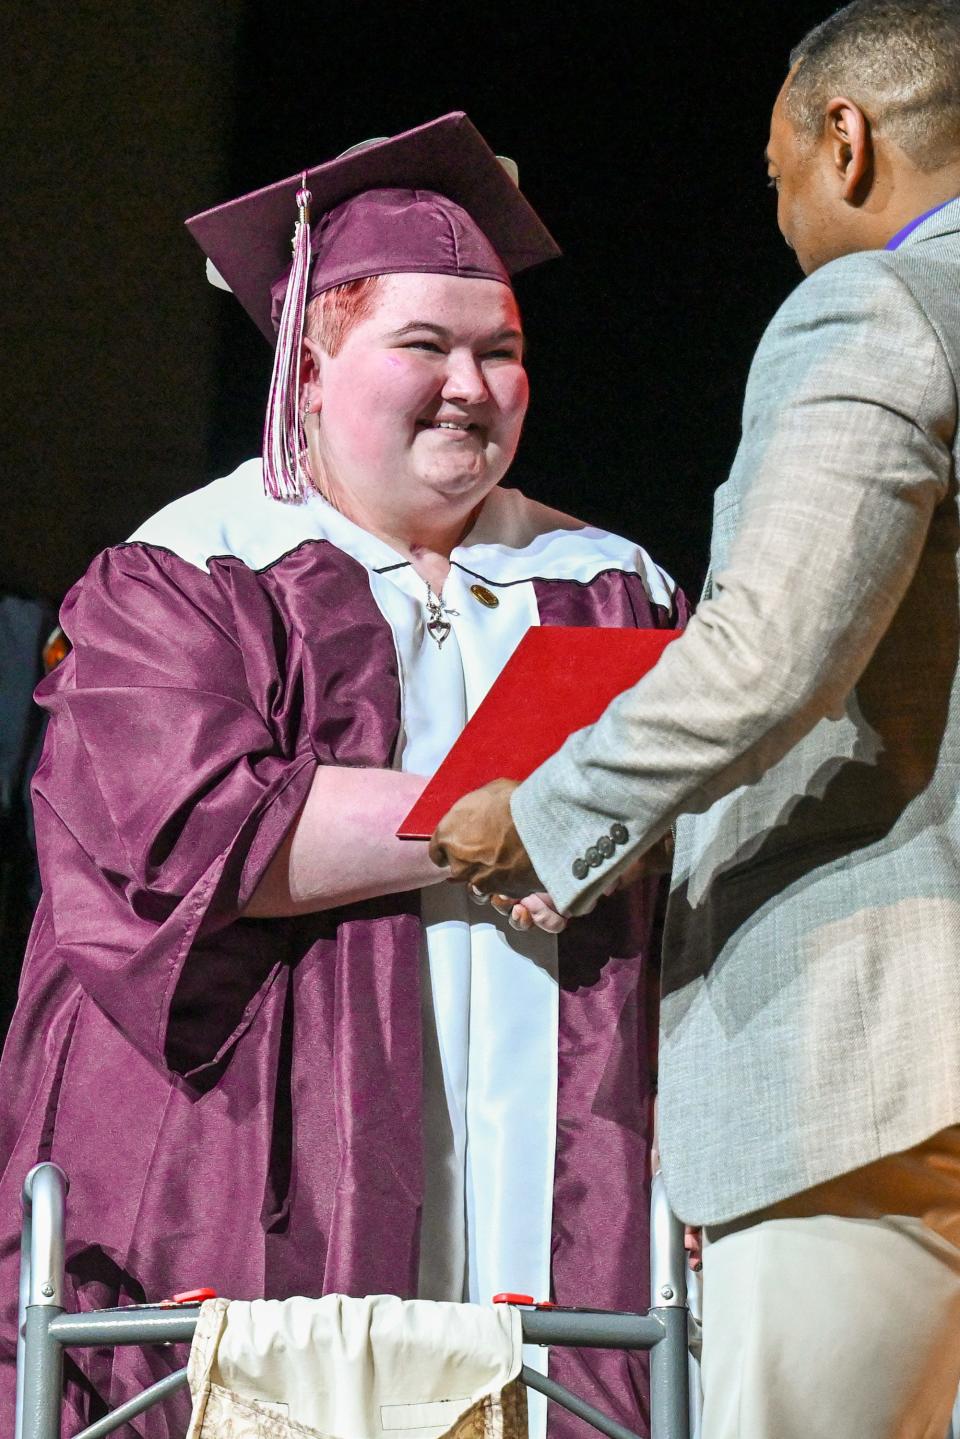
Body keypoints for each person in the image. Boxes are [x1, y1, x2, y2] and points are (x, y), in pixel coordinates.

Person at [0, 114, 687, 1438]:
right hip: (258, 1175)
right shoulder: (188, 571)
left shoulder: (611, 585)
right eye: (424, 347)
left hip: (571, 1175)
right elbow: (207, 839)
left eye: (503, 352)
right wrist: (553, 808)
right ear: (309, 365)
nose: (474, 388)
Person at [430, 5, 960, 1436]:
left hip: (889, 1064)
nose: (782, 213)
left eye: (777, 171)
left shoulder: (880, 308)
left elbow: (774, 647)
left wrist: (544, 813)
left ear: (846, 142)